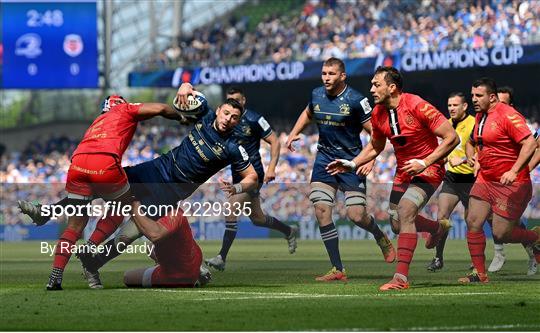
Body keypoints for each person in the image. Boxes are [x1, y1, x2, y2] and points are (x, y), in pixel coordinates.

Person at [20, 98, 259, 289]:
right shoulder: (206, 115)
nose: (228, 119)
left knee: (130, 233)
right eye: (226, 113)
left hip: (172, 189)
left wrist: (238, 187)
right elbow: (187, 91)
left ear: (238, 122)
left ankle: (93, 262)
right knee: (101, 183)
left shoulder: (232, 148)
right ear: (218, 111)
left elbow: (252, 177)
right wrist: (184, 91)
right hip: (156, 167)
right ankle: (47, 212)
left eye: (234, 117)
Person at [18, 95, 182, 290]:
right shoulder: (124, 109)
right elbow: (162, 108)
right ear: (120, 104)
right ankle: (89, 248)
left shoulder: (97, 121)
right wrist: (182, 117)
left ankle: (55, 277)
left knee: (73, 228)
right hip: (104, 163)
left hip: (77, 163)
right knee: (121, 208)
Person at [327, 66, 459, 290]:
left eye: (376, 84)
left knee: (406, 211)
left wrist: (425, 162)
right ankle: (437, 228)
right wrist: (352, 163)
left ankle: (400, 279)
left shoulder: (417, 105)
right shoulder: (378, 113)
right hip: (404, 171)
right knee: (397, 224)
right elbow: (376, 146)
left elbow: (452, 138)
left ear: (392, 87)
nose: (371, 89)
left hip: (429, 168)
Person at [286, 58, 395, 282]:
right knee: (321, 209)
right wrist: (294, 132)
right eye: (324, 73)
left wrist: (370, 159)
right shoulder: (316, 94)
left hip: (351, 161)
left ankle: (379, 235)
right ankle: (338, 269)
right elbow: (308, 113)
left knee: (356, 216)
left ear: (342, 76)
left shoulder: (357, 100)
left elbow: (375, 133)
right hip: (324, 159)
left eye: (331, 74)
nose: (326, 77)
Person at [172, 86, 296, 271]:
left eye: (237, 100)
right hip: (236, 173)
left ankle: (221, 257)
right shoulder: (224, 120)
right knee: (257, 219)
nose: (233, 105)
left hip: (253, 174)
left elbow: (274, 141)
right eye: (229, 101)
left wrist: (271, 168)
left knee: (231, 207)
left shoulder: (254, 119)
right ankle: (289, 230)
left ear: (243, 100)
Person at [460, 78, 539, 283]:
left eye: (479, 96)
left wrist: (514, 170)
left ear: (492, 97)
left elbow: (530, 143)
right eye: (472, 95)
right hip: (486, 178)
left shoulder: (508, 115)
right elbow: (471, 142)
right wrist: (473, 156)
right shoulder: (480, 116)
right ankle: (479, 273)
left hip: (511, 183)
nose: (474, 100)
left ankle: (535, 237)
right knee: (473, 221)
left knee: (502, 234)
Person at [486, 86, 537, 275]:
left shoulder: (518, 123)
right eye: (496, 102)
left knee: (507, 226)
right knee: (493, 218)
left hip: (513, 184)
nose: (498, 107)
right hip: (493, 180)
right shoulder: (487, 121)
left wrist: (524, 168)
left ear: (511, 106)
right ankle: (506, 253)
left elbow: (536, 146)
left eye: (503, 103)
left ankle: (532, 243)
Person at [426, 92, 476, 271]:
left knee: (472, 222)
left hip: (471, 179)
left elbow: (483, 152)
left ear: (464, 107)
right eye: (449, 105)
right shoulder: (446, 124)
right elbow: (445, 149)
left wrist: (463, 159)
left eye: (455, 105)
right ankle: (438, 258)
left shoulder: (474, 123)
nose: (451, 109)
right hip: (452, 178)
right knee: (442, 218)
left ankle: (476, 260)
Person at [123, 200, 211, 288]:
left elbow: (154, 235)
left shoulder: (171, 215)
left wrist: (133, 207)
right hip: (193, 259)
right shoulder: (175, 211)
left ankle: (190, 277)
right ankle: (197, 270)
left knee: (127, 277)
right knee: (150, 247)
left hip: (176, 275)